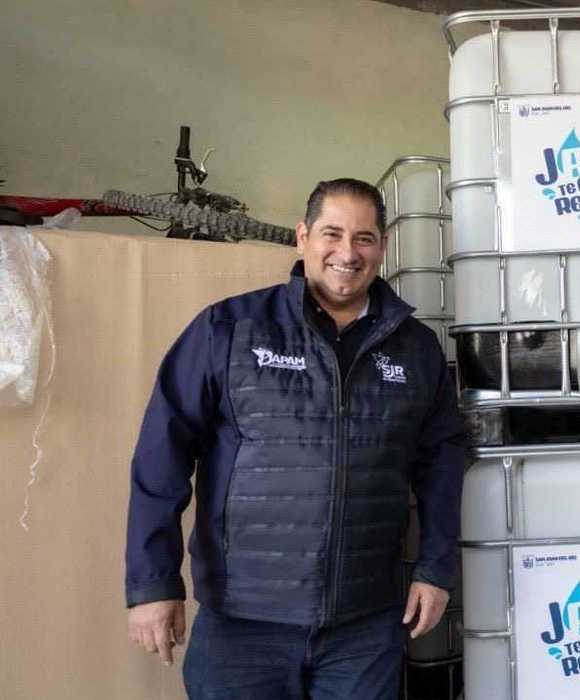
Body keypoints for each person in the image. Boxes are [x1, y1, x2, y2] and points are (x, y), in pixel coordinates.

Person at [124, 178, 466, 699]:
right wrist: (153, 584)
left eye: (364, 238)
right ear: (302, 237)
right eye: (332, 233)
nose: (347, 253)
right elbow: (160, 459)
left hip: (366, 624)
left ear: (383, 247)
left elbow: (442, 463)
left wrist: (436, 569)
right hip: (243, 625)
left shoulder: (415, 349)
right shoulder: (229, 329)